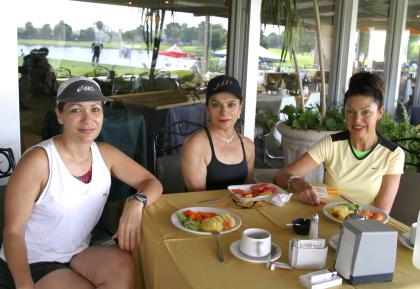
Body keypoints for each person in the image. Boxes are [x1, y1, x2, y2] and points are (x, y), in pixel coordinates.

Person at [0, 76, 163, 289]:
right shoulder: (39, 162)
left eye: (95, 109)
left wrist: (136, 202)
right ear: (60, 115)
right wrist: (24, 285)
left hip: (77, 251)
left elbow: (151, 182)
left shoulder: (105, 154)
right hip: (34, 259)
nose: (88, 119)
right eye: (76, 110)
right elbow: (12, 233)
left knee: (123, 268)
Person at [274, 72, 405, 214]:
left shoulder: (392, 154)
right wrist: (298, 183)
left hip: (366, 227)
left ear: (380, 113)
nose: (357, 120)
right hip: (329, 218)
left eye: (366, 112)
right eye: (350, 112)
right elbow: (282, 175)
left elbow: (380, 214)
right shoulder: (332, 143)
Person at [181, 75, 255, 191]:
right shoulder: (196, 145)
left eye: (231, 104)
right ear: (207, 108)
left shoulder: (248, 146)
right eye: (216, 105)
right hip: (204, 208)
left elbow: (247, 192)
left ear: (240, 106)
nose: (224, 112)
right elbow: (197, 198)